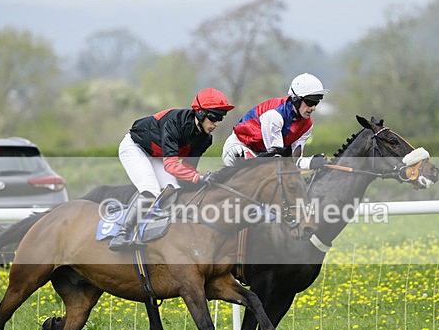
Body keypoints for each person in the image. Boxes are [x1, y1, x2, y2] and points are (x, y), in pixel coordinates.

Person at [109, 87, 234, 250]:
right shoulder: (175, 122)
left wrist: (204, 180)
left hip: (156, 156)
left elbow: (187, 170)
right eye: (213, 117)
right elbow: (172, 165)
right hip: (135, 147)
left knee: (174, 190)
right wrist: (199, 178)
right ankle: (121, 234)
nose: (216, 124)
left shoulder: (205, 139)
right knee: (150, 190)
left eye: (220, 119)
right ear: (201, 113)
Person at [221, 73, 329, 169]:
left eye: (317, 103)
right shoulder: (274, 116)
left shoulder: (307, 126)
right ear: (296, 100)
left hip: (262, 156)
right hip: (239, 147)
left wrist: (311, 162)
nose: (313, 108)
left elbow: (293, 161)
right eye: (310, 102)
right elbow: (275, 160)